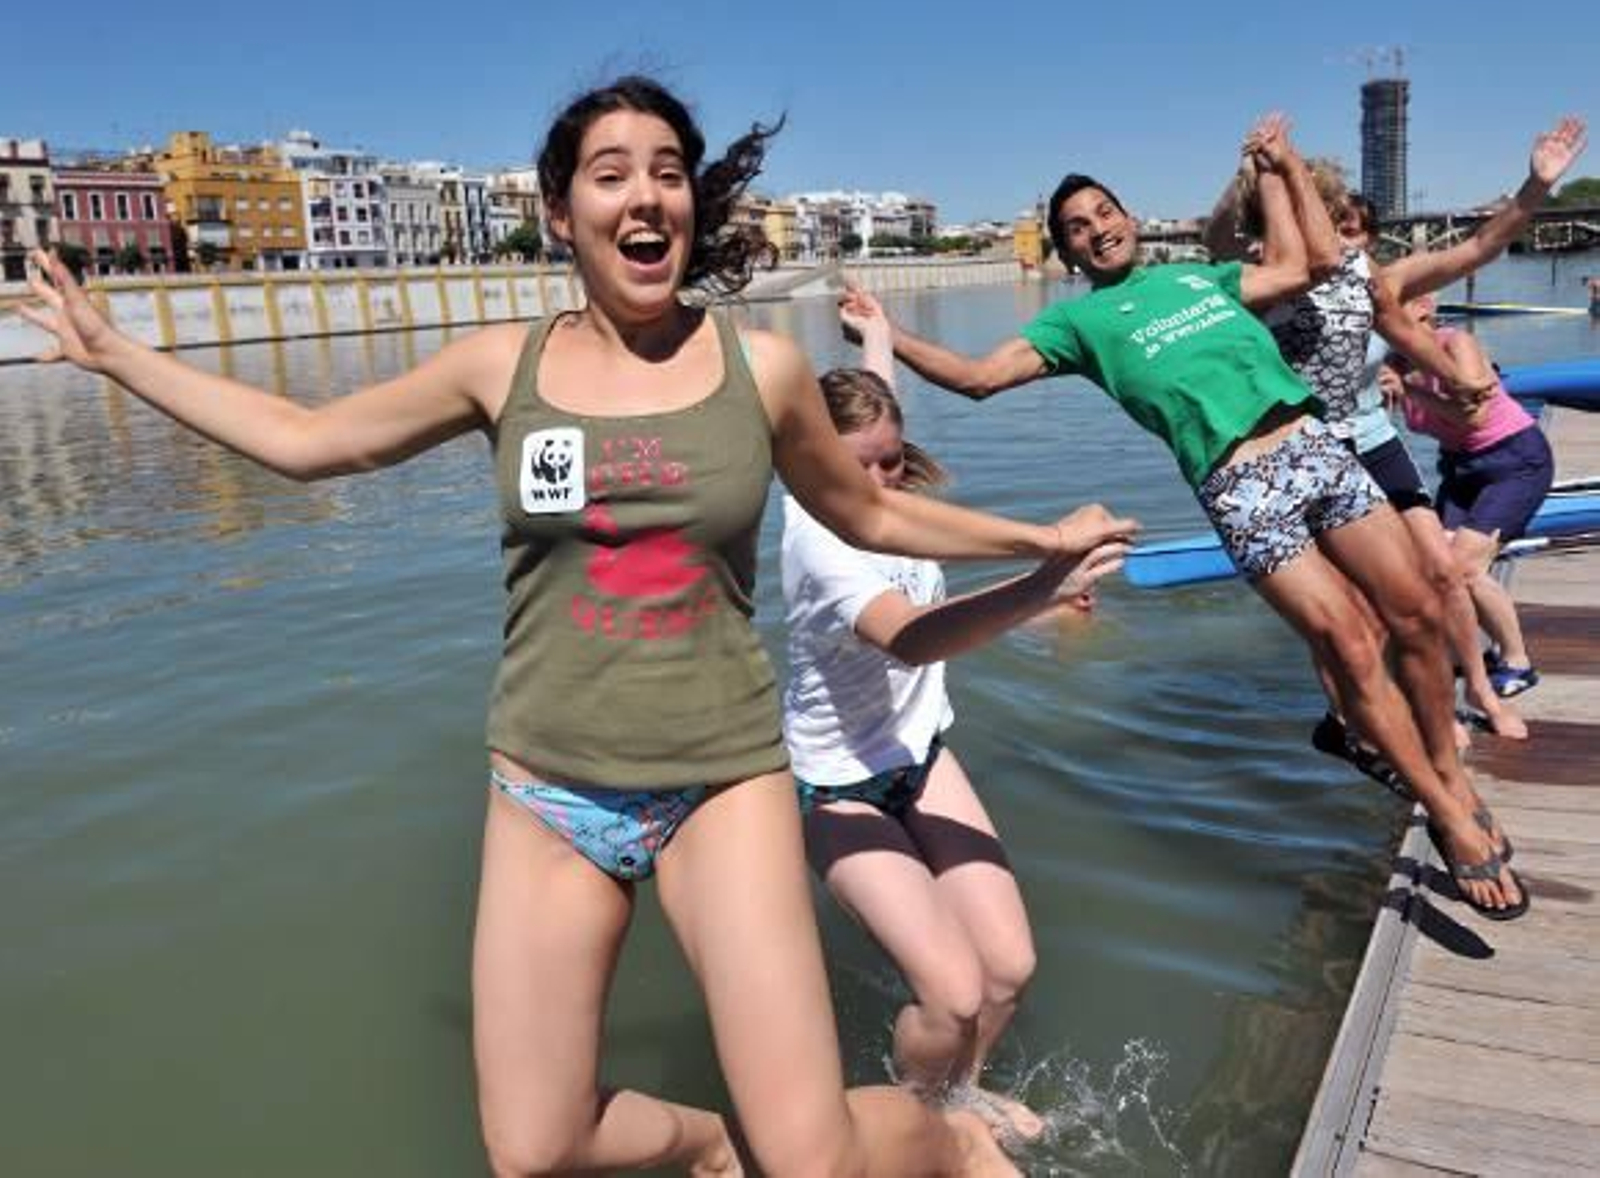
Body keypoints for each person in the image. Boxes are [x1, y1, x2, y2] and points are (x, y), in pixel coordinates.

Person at [16, 76, 1141, 1176]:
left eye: (668, 172)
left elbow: (872, 510)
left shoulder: (762, 369)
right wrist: (117, 354)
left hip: (721, 783)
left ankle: (946, 1137)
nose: (645, 195)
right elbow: (309, 443)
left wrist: (1036, 540)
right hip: (548, 789)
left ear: (691, 202)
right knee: (536, 1145)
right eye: (611, 174)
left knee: (808, 1158)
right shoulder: (499, 365)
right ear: (560, 212)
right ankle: (710, 1143)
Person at [847, 114, 1528, 920]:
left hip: (1314, 445)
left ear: (1129, 219)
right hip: (1240, 486)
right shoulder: (1074, 326)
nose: (1097, 229)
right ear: (1068, 255)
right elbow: (976, 378)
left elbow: (1302, 266)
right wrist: (888, 332)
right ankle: (1449, 813)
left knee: (1416, 612)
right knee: (1347, 640)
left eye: (1104, 213)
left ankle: (1447, 777)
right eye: (1077, 228)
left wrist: (1276, 167)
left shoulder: (1202, 279)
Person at [783, 294, 1128, 1143]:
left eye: (893, 463)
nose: (882, 487)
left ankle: (956, 1097)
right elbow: (913, 640)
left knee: (1007, 969)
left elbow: (873, 400)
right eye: (859, 468)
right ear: (812, 462)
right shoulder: (819, 541)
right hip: (840, 789)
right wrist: (1041, 584)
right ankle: (915, 1130)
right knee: (952, 995)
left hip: (921, 757)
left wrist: (875, 335)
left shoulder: (881, 473)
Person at [1203, 117, 1588, 748]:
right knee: (1344, 602)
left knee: (1443, 571)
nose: (1335, 231)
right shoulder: (1258, 277)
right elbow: (1216, 237)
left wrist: (1535, 187)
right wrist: (1250, 173)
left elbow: (1477, 248)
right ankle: (1361, 718)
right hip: (1309, 451)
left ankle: (1480, 691)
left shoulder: (1369, 277)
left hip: (1373, 439)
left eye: (1341, 220)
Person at [1382, 294, 1555, 699]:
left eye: (1392, 309)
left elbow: (1473, 414)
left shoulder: (1456, 344)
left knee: (1465, 569)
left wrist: (1410, 390)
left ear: (1424, 309)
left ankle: (1517, 662)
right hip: (1460, 469)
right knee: (1436, 566)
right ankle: (1463, 657)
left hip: (1515, 461)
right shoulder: (1394, 363)